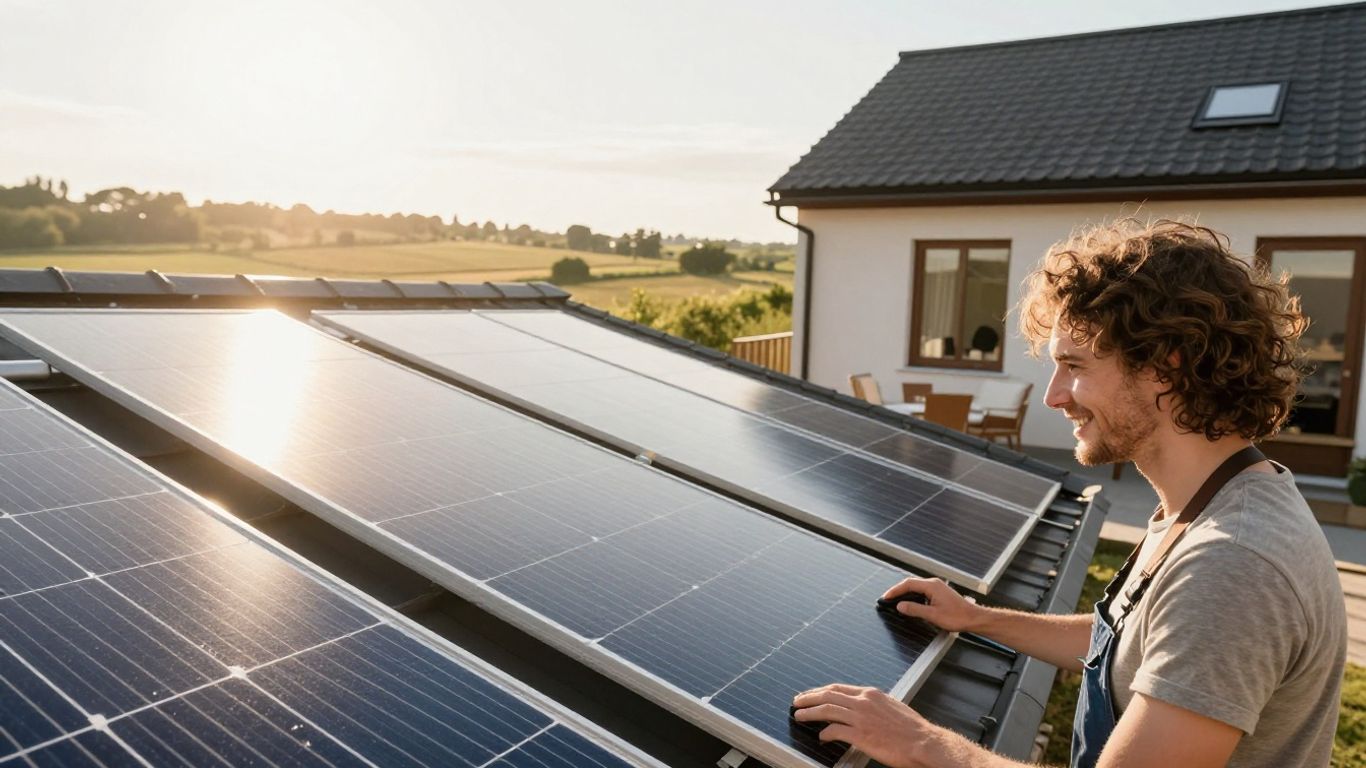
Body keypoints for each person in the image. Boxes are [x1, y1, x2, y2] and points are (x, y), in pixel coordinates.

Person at [792, 220, 1347, 767]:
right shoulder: (1210, 504)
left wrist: (923, 744)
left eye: (1073, 367)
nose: (1054, 397)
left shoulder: (1231, 564)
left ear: (1164, 367)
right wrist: (977, 618)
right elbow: (1132, 645)